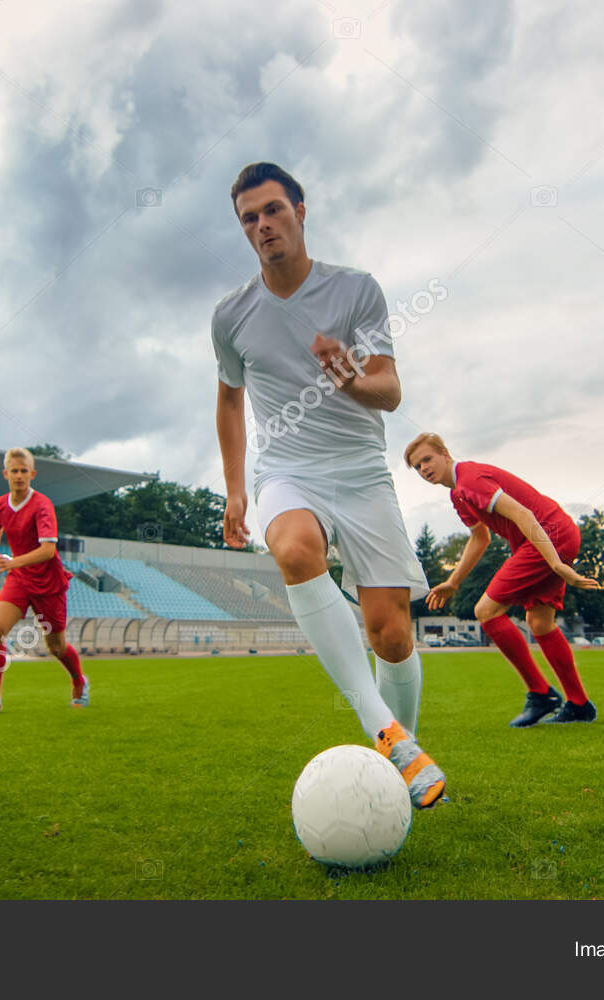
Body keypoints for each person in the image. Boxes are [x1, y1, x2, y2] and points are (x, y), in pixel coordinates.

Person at [212, 162, 444, 808]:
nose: (262, 226)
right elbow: (230, 400)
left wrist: (350, 381)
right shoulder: (231, 316)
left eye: (272, 210)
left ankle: (405, 763)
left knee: (390, 634)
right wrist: (236, 488)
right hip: (287, 467)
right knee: (290, 547)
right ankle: (385, 731)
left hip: (361, 469)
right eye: (249, 218)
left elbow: (390, 391)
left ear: (301, 210)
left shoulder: (356, 291)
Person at [405, 432, 601, 726]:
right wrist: (454, 582)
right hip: (550, 537)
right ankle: (579, 705)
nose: (423, 469)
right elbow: (479, 537)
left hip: (547, 536)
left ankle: (541, 694)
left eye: (427, 459)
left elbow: (523, 515)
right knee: (540, 624)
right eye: (417, 467)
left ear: (445, 453)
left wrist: (557, 565)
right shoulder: (457, 493)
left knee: (486, 610)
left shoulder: (470, 479)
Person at [0, 447, 89, 714]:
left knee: (55, 647)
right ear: (5, 473)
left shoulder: (42, 505)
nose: (19, 476)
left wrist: (11, 562)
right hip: (19, 577)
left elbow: (47, 550)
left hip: (48, 582)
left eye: (24, 471)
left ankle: (78, 680)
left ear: (32, 474)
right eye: (14, 471)